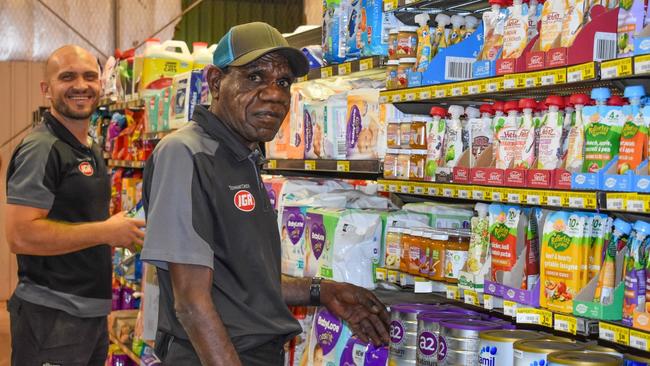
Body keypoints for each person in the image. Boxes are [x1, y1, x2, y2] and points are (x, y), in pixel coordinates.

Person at [141, 22, 390, 366]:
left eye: (283, 82)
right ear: (215, 82)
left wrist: (323, 291)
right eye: (255, 77)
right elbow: (191, 302)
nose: (274, 93)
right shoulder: (186, 153)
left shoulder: (243, 158)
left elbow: (242, 283)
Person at [5, 45, 146, 365]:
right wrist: (106, 232)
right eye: (67, 77)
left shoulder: (90, 148)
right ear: (46, 89)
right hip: (52, 317)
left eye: (89, 77)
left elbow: (77, 218)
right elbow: (20, 235)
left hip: (88, 315)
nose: (80, 85)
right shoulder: (42, 149)